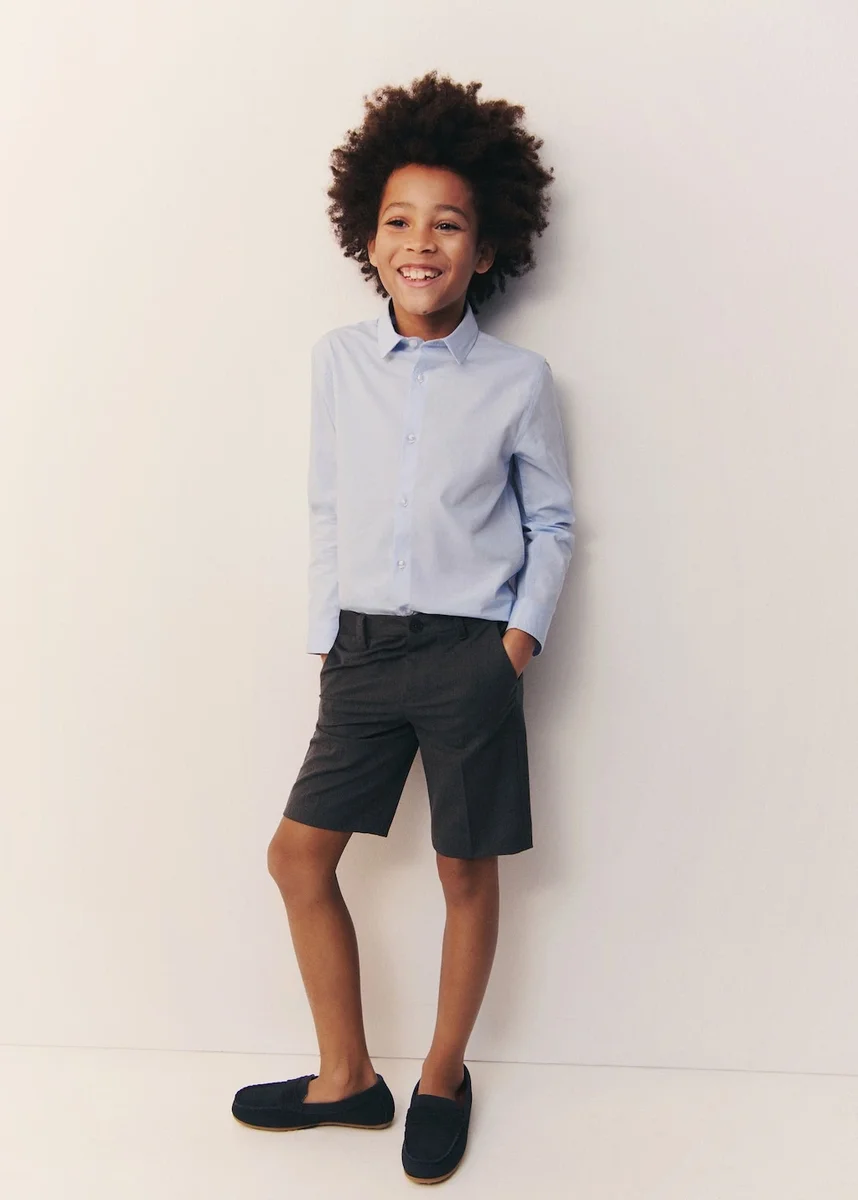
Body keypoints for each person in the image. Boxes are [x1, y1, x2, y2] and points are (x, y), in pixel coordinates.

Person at [232, 70, 575, 1185]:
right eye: (398, 221)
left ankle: (439, 1076)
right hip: (364, 652)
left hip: (470, 655)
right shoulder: (337, 363)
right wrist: (329, 637)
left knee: (464, 872)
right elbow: (328, 505)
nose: (420, 243)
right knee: (298, 858)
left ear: (486, 247)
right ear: (368, 237)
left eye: (448, 224)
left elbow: (553, 524)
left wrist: (513, 647)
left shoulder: (520, 380)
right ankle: (346, 1079)